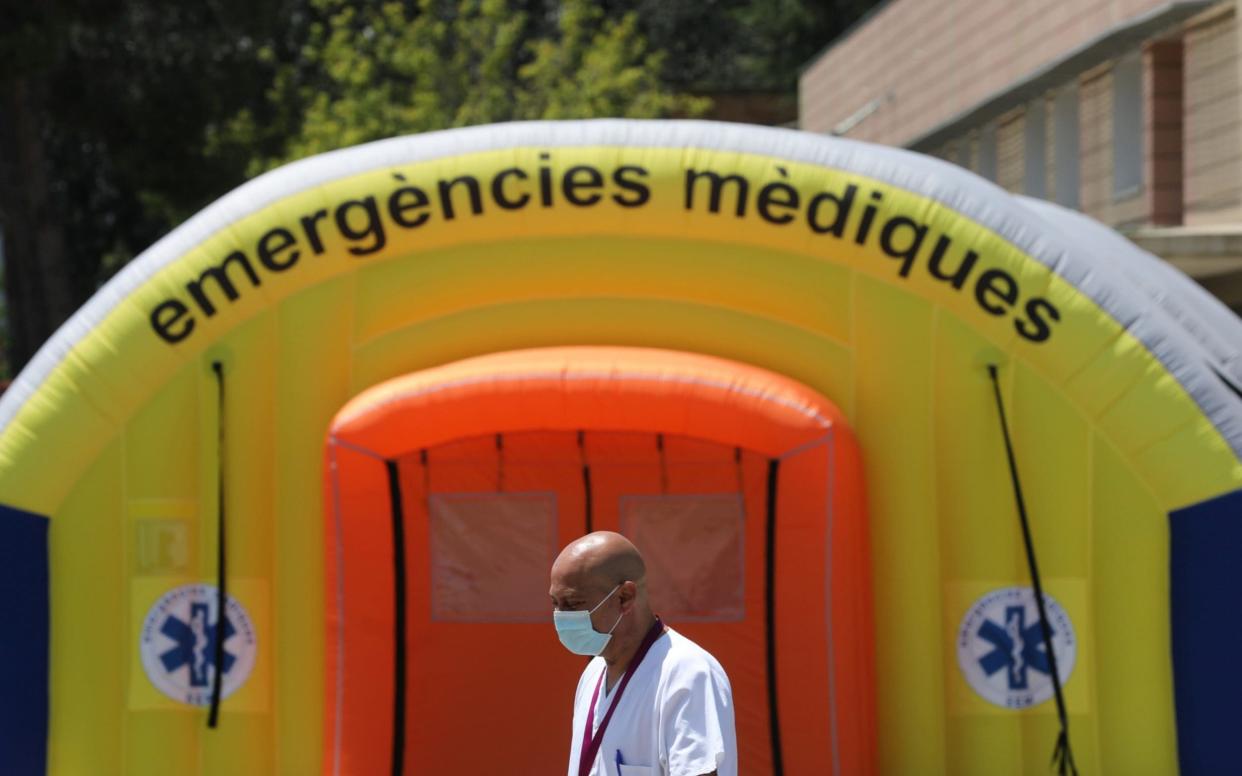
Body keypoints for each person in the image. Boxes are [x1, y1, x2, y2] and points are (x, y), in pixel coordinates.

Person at [549, 531, 737, 776]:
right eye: (555, 603)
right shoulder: (593, 673)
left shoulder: (687, 672)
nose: (561, 616)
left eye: (573, 604)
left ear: (624, 597)